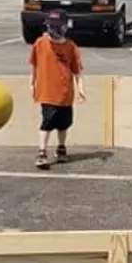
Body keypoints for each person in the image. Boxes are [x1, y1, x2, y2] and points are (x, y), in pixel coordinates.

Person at [28, 9, 85, 169]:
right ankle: (42, 151)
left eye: (56, 27)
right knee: (47, 122)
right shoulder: (40, 44)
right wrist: (32, 83)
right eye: (50, 27)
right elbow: (34, 65)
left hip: (65, 94)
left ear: (65, 27)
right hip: (47, 92)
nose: (53, 30)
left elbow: (77, 71)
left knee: (64, 123)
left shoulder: (70, 47)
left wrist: (80, 88)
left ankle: (61, 148)